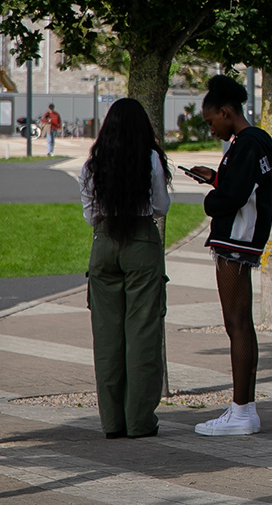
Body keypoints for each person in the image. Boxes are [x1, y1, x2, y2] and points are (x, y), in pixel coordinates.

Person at [184, 75, 272, 436]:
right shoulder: (252, 143)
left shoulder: (246, 143)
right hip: (243, 240)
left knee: (237, 324)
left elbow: (235, 196)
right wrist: (215, 179)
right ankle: (243, 408)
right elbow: (243, 187)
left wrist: (211, 199)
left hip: (236, 242)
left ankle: (242, 411)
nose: (211, 129)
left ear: (226, 112)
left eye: (211, 121)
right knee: (240, 323)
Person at [79, 98, 171, 439]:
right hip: (142, 242)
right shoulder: (149, 159)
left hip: (103, 244)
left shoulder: (92, 165)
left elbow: (90, 215)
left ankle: (112, 422)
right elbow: (160, 206)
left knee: (106, 336)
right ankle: (139, 421)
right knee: (143, 332)